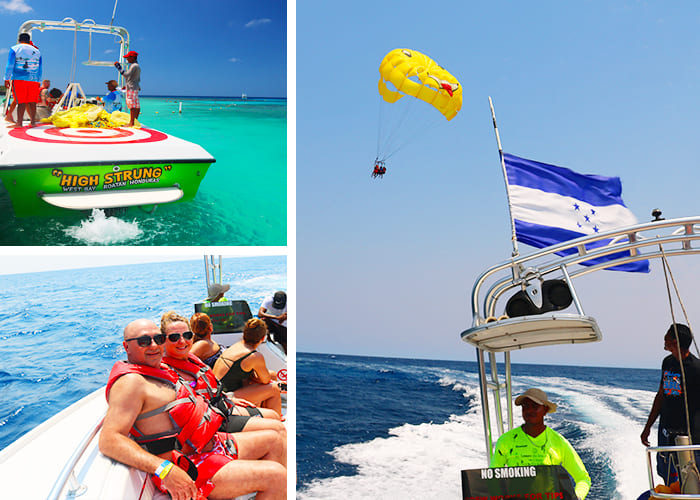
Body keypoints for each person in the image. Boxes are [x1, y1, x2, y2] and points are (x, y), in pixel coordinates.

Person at [99, 318, 286, 500]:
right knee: (277, 476)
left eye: (158, 339)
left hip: (213, 444)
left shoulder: (160, 370)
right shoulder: (131, 383)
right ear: (126, 346)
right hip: (190, 465)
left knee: (277, 438)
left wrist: (231, 402)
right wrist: (164, 469)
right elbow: (110, 440)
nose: (154, 346)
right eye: (144, 341)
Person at [159, 311, 286, 435]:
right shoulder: (169, 369)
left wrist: (227, 398)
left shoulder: (193, 360)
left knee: (273, 416)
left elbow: (208, 388)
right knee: (276, 428)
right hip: (212, 419)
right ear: (162, 340)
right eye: (174, 337)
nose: (182, 341)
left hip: (221, 404)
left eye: (187, 335)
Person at [490, 388, 591, 500]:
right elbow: (493, 479)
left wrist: (577, 497)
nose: (529, 410)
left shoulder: (559, 442)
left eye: (535, 406)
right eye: (525, 406)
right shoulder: (506, 440)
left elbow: (583, 478)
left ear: (545, 410)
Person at [641, 323, 700, 485]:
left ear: (675, 341)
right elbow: (661, 395)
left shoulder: (696, 368)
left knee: (691, 478)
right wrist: (647, 427)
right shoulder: (667, 362)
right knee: (665, 472)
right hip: (666, 430)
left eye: (667, 335)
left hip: (690, 435)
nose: (664, 338)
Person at [213, 318, 282, 417]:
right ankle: (276, 419)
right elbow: (265, 381)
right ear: (263, 338)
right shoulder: (254, 356)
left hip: (216, 392)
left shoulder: (237, 346)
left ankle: (265, 413)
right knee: (274, 388)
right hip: (224, 397)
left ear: (244, 334)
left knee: (272, 375)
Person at [4, 32, 42, 127]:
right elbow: (40, 67)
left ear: (19, 40)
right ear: (29, 41)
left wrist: (6, 78)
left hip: (19, 79)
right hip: (34, 80)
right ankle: (33, 122)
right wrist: (38, 80)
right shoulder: (37, 51)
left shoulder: (15, 48)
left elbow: (10, 65)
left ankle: (19, 123)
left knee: (21, 101)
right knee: (32, 101)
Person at [114, 50, 140, 126]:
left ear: (132, 58)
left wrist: (118, 67)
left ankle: (131, 123)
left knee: (131, 105)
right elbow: (134, 78)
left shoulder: (133, 66)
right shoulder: (137, 66)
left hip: (131, 88)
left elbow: (126, 75)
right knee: (136, 105)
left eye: (128, 57)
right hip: (135, 86)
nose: (127, 59)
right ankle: (135, 121)